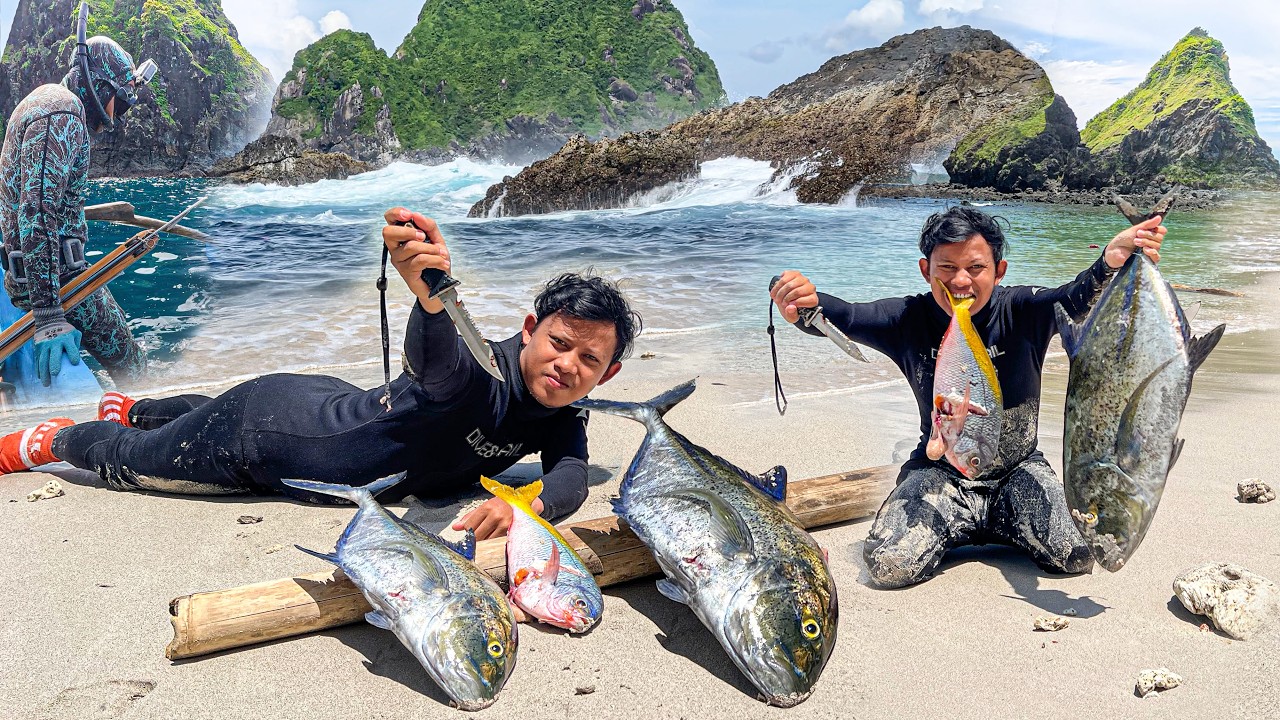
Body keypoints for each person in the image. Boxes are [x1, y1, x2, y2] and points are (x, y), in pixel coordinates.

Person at [0, 208, 641, 539]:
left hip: (321, 402)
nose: (568, 366)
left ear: (606, 375)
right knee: (133, 463)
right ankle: (55, 439)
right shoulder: (480, 370)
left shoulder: (561, 412)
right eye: (560, 343)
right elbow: (439, 364)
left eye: (589, 360)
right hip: (259, 439)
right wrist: (430, 295)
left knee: (194, 413)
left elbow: (568, 476)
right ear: (530, 329)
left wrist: (525, 507)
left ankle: (138, 404)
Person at [769, 206, 1165, 588]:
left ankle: (996, 524)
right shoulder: (908, 319)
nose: (961, 281)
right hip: (940, 473)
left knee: (1077, 554)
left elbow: (1076, 298)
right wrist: (800, 301)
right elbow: (845, 317)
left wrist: (1111, 261)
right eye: (947, 267)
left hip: (1018, 471)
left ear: (999, 271)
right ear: (926, 270)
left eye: (976, 268)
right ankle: (965, 527)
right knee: (889, 566)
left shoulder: (1022, 310)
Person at [0, 8, 159, 387]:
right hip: (55, 284)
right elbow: (36, 209)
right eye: (118, 103)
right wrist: (49, 316)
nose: (117, 116)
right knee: (133, 363)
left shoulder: (50, 104)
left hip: (44, 275)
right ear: (98, 86)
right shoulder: (63, 112)